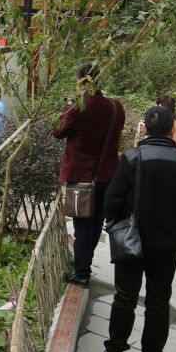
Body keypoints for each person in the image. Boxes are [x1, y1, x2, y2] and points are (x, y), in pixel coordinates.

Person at [102, 106, 176, 352]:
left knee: (125, 295)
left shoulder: (132, 157)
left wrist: (116, 226)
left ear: (145, 129)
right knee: (159, 299)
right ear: (172, 129)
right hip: (168, 244)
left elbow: (112, 201)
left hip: (131, 241)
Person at [54, 63, 125, 289]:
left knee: (83, 226)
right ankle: (85, 263)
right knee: (96, 224)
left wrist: (67, 106)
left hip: (81, 177)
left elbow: (57, 131)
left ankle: (82, 273)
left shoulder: (77, 108)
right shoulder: (115, 106)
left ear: (80, 82)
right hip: (108, 176)